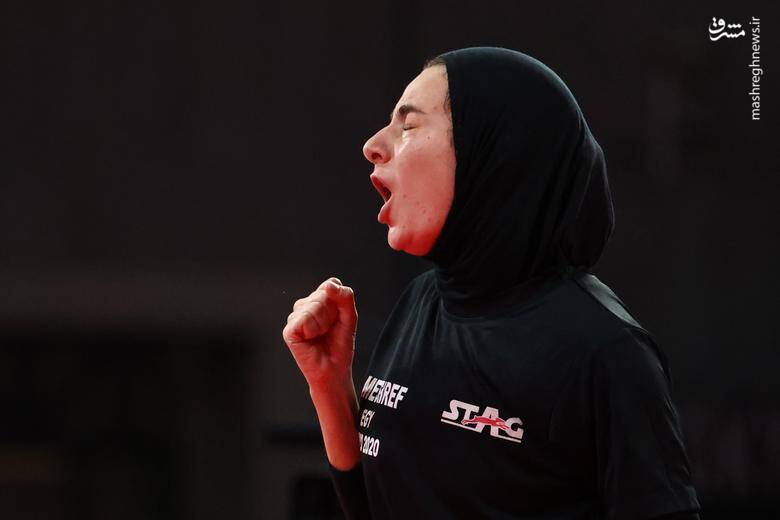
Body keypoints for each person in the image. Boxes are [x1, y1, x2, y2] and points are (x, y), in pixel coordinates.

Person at [282, 47, 702, 519]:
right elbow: (374, 507)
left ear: (493, 151)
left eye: (409, 125)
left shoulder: (606, 352)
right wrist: (329, 384)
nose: (373, 145)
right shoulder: (421, 303)